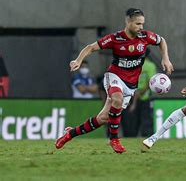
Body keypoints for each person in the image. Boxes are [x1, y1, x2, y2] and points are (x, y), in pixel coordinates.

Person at [55, 8, 174, 153]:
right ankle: (114, 140)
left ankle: (70, 134)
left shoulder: (145, 37)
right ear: (128, 22)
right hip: (115, 76)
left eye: (142, 24)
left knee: (103, 118)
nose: (141, 27)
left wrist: (165, 59)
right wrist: (78, 60)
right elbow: (90, 47)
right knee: (117, 99)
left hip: (130, 85)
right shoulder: (115, 38)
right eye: (137, 24)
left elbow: (162, 41)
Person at [122, 49, 157, 137]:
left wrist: (137, 92)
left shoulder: (134, 65)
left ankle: (133, 137)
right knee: (145, 121)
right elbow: (151, 82)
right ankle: (146, 138)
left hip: (137, 96)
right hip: (141, 96)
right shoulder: (150, 66)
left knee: (133, 122)